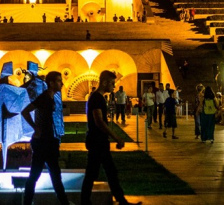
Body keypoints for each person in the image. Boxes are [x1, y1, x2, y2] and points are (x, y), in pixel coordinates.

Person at [81, 70, 141, 205]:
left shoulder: (98, 97)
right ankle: (88, 201)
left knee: (106, 172)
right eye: (112, 83)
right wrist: (116, 137)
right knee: (97, 173)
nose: (114, 86)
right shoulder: (97, 98)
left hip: (99, 141)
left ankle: (120, 200)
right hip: (97, 141)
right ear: (104, 83)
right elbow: (99, 121)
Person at [21, 71, 71, 205]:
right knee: (39, 176)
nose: (62, 83)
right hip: (43, 143)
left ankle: (63, 201)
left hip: (48, 142)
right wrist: (35, 128)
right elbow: (25, 111)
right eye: (59, 81)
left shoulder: (50, 97)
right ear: (51, 83)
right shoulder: (44, 98)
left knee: (53, 176)